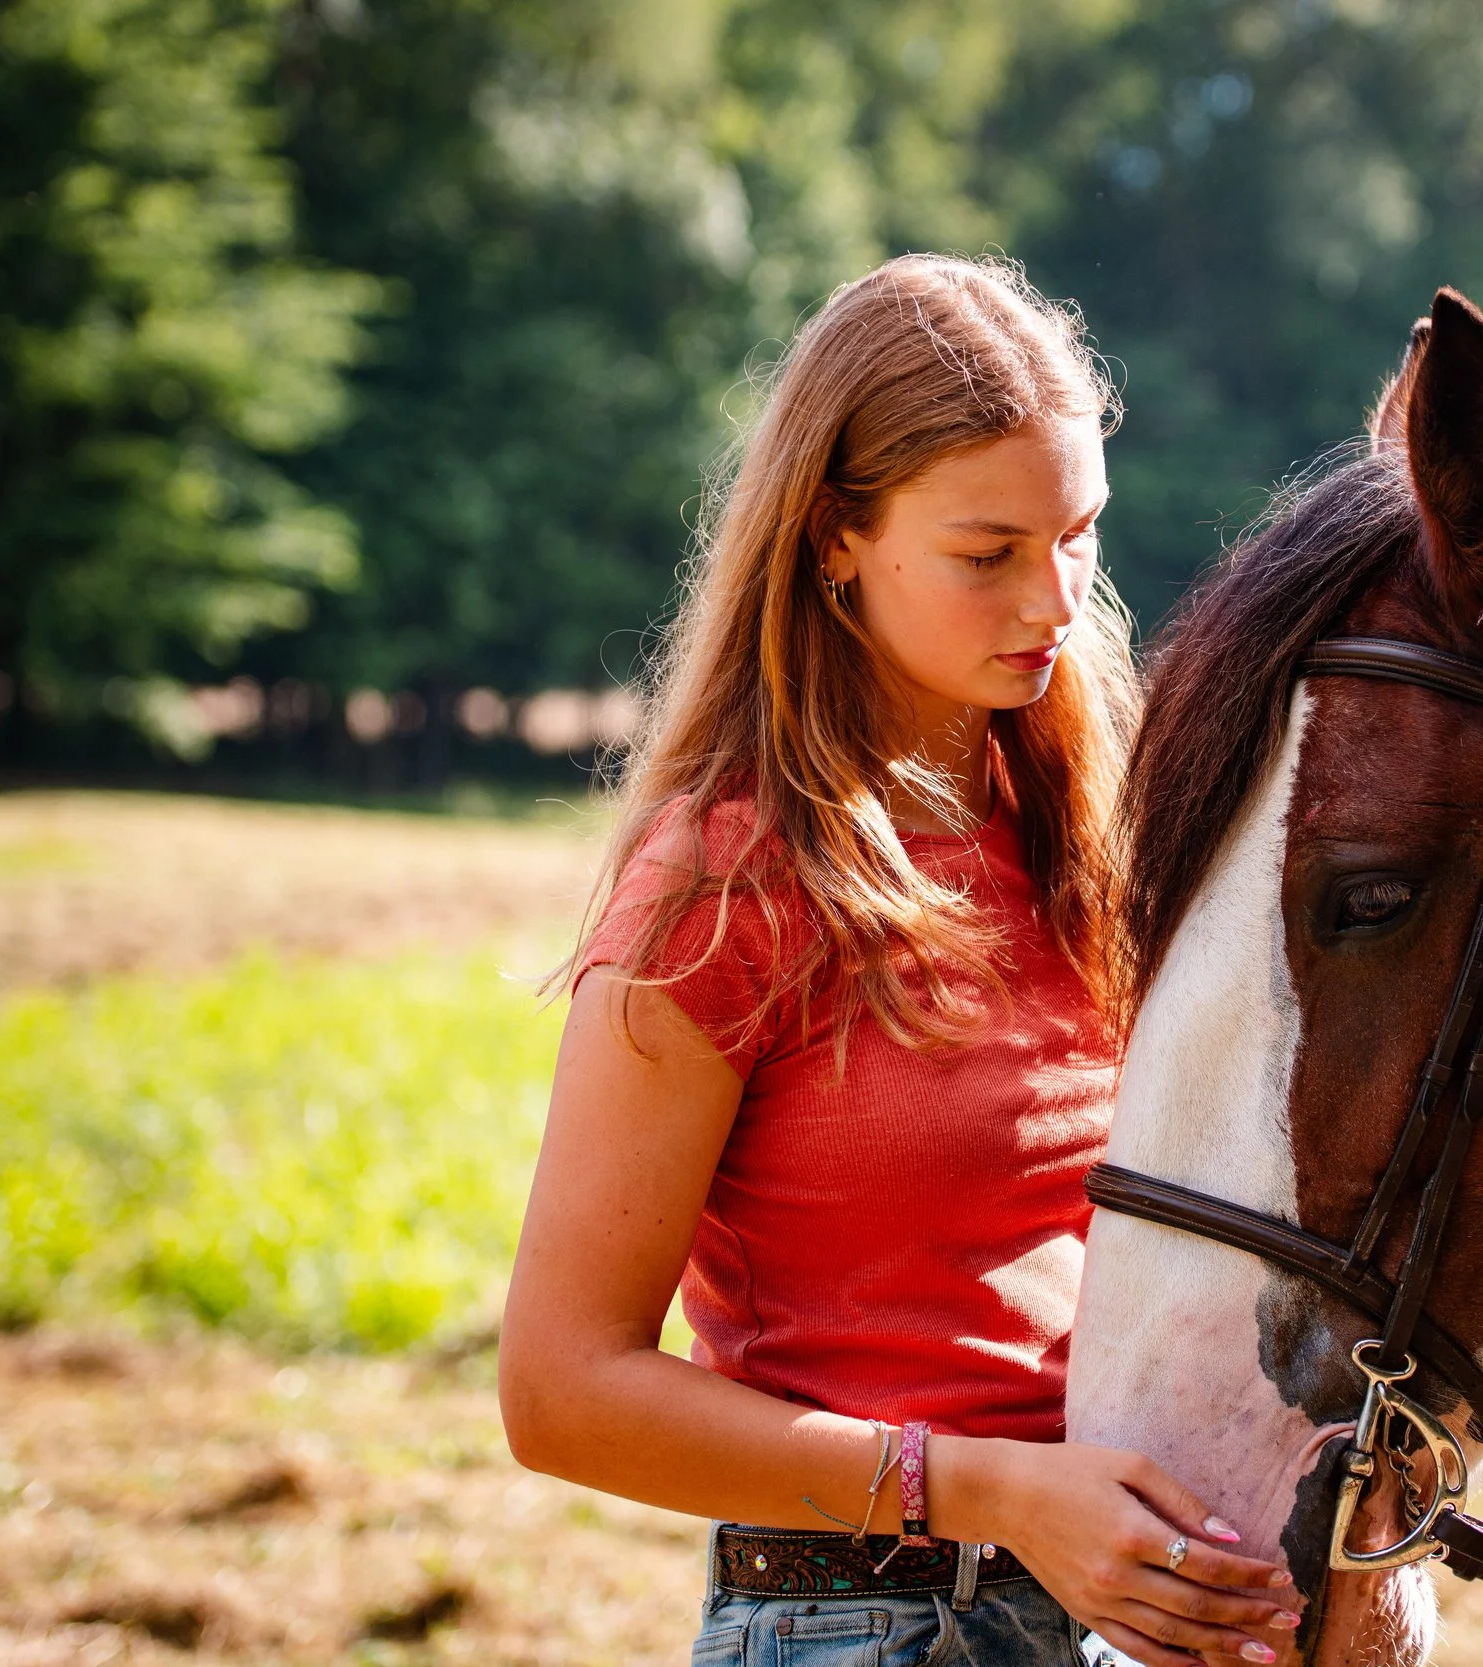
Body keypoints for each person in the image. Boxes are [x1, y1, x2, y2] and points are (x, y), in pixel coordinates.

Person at [497, 255, 1299, 1667]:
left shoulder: (1101, 833)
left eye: (1082, 535)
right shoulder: (726, 881)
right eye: (989, 553)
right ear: (832, 540)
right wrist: (986, 1488)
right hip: (866, 1624)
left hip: (1126, 1620)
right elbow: (561, 1391)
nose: (1054, 600)